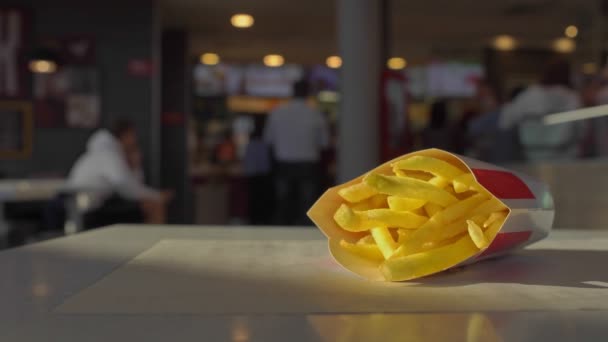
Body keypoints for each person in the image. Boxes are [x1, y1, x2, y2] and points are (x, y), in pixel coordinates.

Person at [66, 120, 172, 225]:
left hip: (90, 207)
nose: (135, 139)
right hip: (91, 210)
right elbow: (125, 186)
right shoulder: (108, 154)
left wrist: (136, 166)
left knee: (148, 203)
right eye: (133, 134)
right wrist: (156, 196)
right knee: (154, 205)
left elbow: (130, 185)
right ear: (126, 135)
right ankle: (155, 240)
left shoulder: (102, 153)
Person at [264, 80, 329, 225]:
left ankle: (281, 230)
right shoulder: (316, 114)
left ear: (292, 92)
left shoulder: (278, 113)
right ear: (307, 93)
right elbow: (324, 143)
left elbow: (268, 140)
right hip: (308, 162)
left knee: (283, 201)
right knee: (307, 203)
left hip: (284, 162)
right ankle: (305, 233)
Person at [498, 59, 582, 161]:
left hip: (532, 157)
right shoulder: (573, 98)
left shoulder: (528, 96)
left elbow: (505, 121)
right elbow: (582, 131)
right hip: (565, 157)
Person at [243, 119, 273, 225]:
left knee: (253, 198)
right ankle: (262, 218)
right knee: (263, 198)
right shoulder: (266, 144)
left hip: (253, 175)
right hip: (263, 175)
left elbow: (247, 161)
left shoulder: (251, 144)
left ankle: (254, 219)